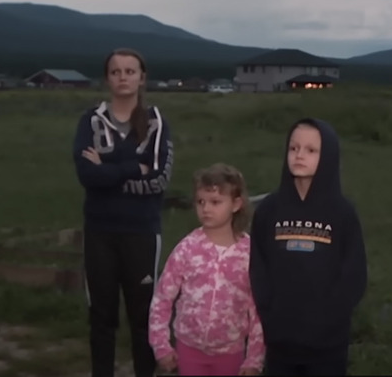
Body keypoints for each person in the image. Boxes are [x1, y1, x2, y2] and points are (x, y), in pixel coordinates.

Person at [73, 48, 174, 377]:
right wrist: (133, 167)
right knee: (101, 316)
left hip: (141, 232)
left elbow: (158, 180)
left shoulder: (156, 122)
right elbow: (87, 176)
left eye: (130, 71)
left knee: (143, 316)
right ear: (107, 78)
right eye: (116, 72)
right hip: (100, 232)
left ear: (142, 77)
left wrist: (110, 171)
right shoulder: (90, 121)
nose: (123, 77)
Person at [249, 118, 368, 376]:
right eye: (294, 148)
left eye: (311, 150)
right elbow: (258, 268)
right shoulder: (269, 210)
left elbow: (354, 275)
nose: (299, 155)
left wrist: (329, 320)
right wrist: (271, 316)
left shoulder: (342, 213)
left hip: (327, 345)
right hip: (280, 341)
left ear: (328, 156)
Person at [148, 163, 265, 376]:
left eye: (215, 202)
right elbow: (162, 298)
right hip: (189, 350)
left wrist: (254, 359)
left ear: (236, 204)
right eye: (201, 202)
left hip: (230, 354)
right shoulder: (187, 248)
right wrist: (160, 345)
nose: (206, 209)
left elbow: (257, 308)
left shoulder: (249, 254)